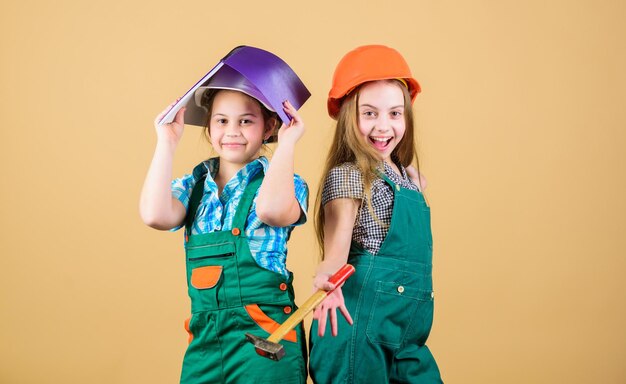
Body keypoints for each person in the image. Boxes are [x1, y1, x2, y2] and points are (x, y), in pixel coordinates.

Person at [140, 46, 310, 384]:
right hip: (207, 342)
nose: (232, 131)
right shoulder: (193, 186)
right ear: (209, 126)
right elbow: (154, 215)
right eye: (221, 121)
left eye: (246, 121)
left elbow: (272, 210)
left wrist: (287, 143)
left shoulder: (286, 183)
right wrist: (166, 142)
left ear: (269, 126)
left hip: (264, 337)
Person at [308, 45, 443, 383]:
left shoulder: (407, 177)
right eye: (369, 114)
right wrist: (326, 278)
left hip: (405, 331)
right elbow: (335, 252)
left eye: (395, 114)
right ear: (348, 116)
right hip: (357, 328)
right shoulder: (349, 174)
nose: (384, 127)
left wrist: (411, 184)